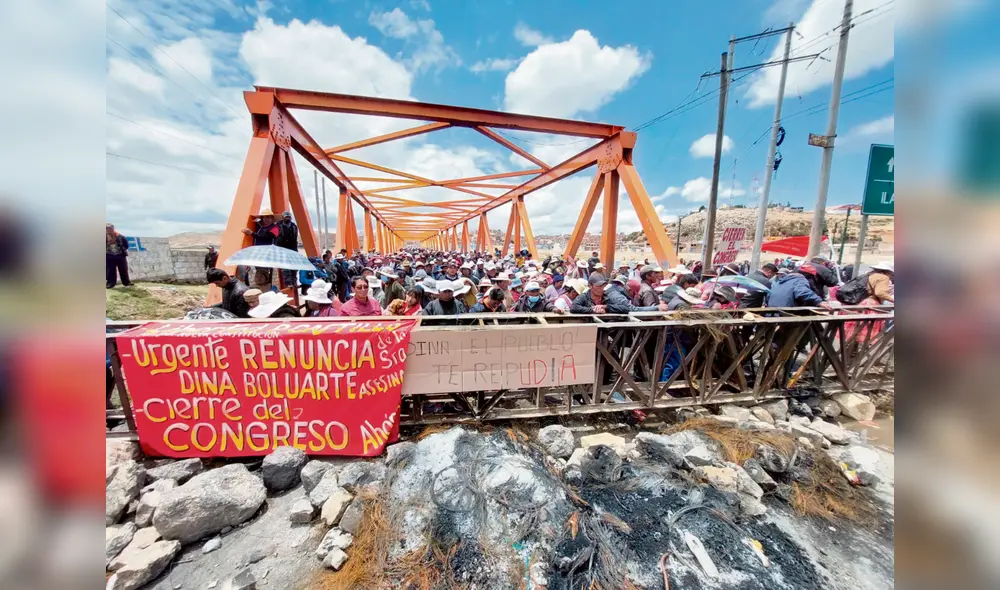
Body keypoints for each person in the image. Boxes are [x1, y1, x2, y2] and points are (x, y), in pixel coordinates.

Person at [106, 223, 132, 288]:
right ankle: (110, 283)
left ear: (113, 229)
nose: (109, 230)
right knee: (110, 270)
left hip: (120, 256)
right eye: (107, 229)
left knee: (123, 270)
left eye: (110, 228)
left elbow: (126, 245)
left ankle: (126, 283)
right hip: (109, 256)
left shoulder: (120, 236)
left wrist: (121, 251)